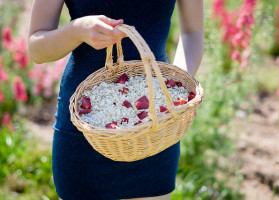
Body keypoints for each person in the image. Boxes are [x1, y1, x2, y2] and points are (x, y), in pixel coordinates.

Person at [28, 0, 203, 199]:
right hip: (86, 127)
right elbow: (36, 47)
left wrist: (175, 91)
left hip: (154, 126)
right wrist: (76, 31)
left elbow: (192, 32)